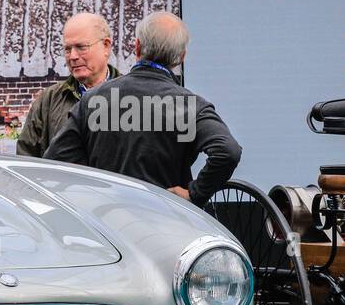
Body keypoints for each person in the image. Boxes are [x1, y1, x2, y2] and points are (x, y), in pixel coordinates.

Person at [44, 11, 241, 205]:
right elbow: (227, 151)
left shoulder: (93, 100)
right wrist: (195, 194)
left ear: (137, 47)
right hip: (168, 220)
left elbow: (54, 160)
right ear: (181, 56)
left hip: (106, 222)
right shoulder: (189, 105)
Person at [17, 12, 119, 157]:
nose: (73, 56)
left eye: (81, 47)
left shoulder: (131, 97)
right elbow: (26, 156)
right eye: (67, 49)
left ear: (106, 46)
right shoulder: (49, 100)